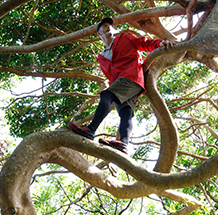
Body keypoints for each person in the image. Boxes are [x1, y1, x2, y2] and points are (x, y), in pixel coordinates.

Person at [67, 17, 172, 153]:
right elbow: (110, 74)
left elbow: (144, 43)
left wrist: (160, 44)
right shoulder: (102, 56)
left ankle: (90, 130)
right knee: (125, 113)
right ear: (99, 34)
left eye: (110, 25)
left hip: (131, 77)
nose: (108, 27)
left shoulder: (125, 38)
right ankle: (123, 143)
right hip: (121, 84)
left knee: (106, 94)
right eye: (104, 26)